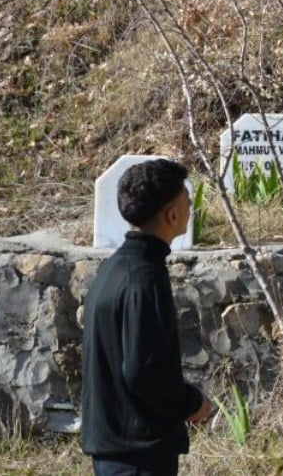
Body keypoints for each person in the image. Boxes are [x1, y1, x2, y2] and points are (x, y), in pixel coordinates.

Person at [81, 158, 212, 476]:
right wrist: (192, 403)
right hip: (137, 456)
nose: (190, 207)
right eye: (186, 199)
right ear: (172, 215)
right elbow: (143, 371)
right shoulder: (145, 278)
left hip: (115, 448)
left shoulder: (114, 268)